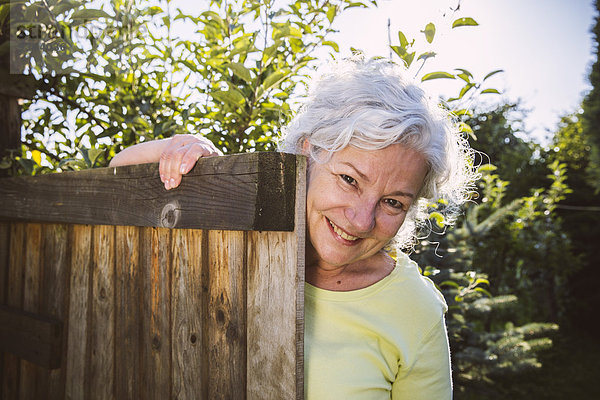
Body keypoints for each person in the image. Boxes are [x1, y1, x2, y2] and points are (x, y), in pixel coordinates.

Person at [109, 57, 475, 399]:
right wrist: (179, 154)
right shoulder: (239, 230)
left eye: (393, 202)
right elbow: (115, 187)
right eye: (349, 179)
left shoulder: (415, 311)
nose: (362, 220)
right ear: (307, 152)